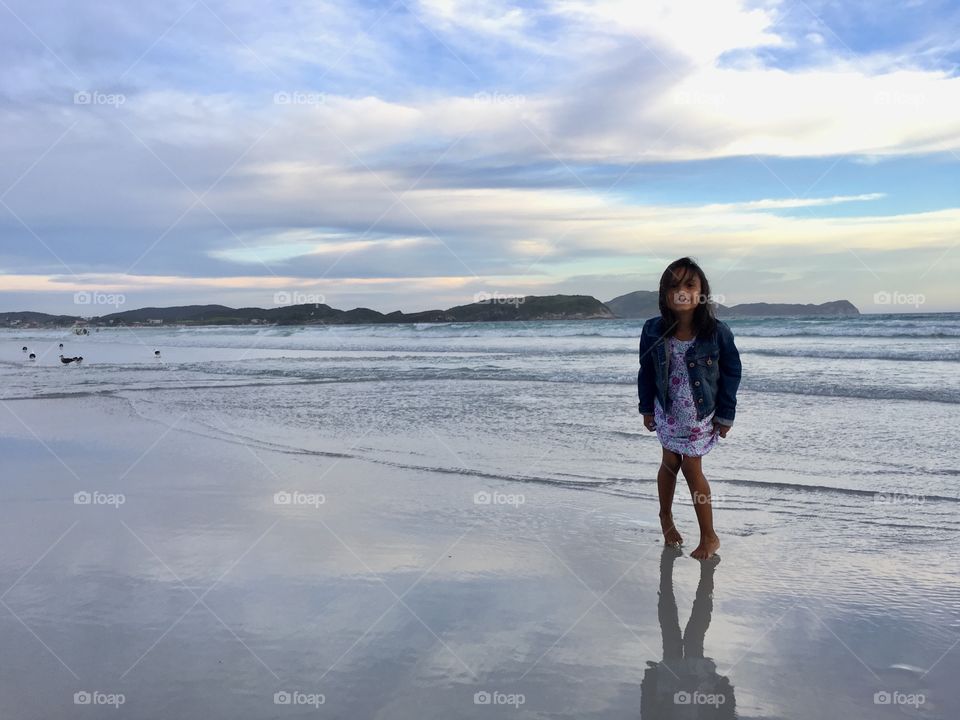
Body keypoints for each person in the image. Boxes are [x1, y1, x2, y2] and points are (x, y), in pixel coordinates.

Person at [638, 257, 742, 560]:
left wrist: (726, 414)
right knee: (669, 462)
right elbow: (645, 370)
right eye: (673, 286)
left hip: (700, 414)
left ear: (701, 293)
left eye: (689, 285)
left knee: (691, 467)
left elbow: (732, 372)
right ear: (663, 294)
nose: (681, 291)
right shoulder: (653, 330)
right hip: (667, 410)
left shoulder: (716, 332)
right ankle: (666, 519)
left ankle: (709, 536)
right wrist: (646, 408)